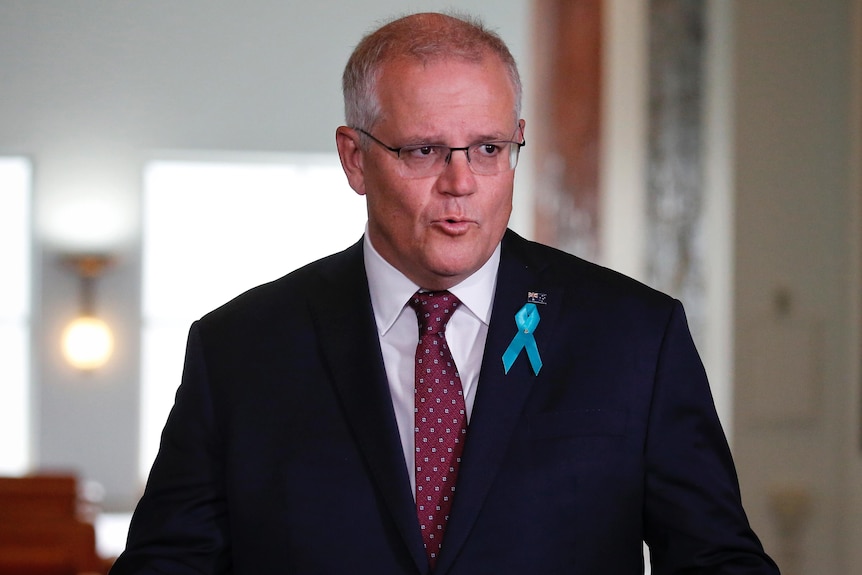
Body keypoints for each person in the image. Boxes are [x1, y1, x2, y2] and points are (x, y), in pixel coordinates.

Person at [111, 12, 779, 575]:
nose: (461, 183)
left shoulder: (635, 336)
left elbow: (717, 560)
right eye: (424, 151)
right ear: (355, 159)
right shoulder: (240, 348)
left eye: (488, 148)